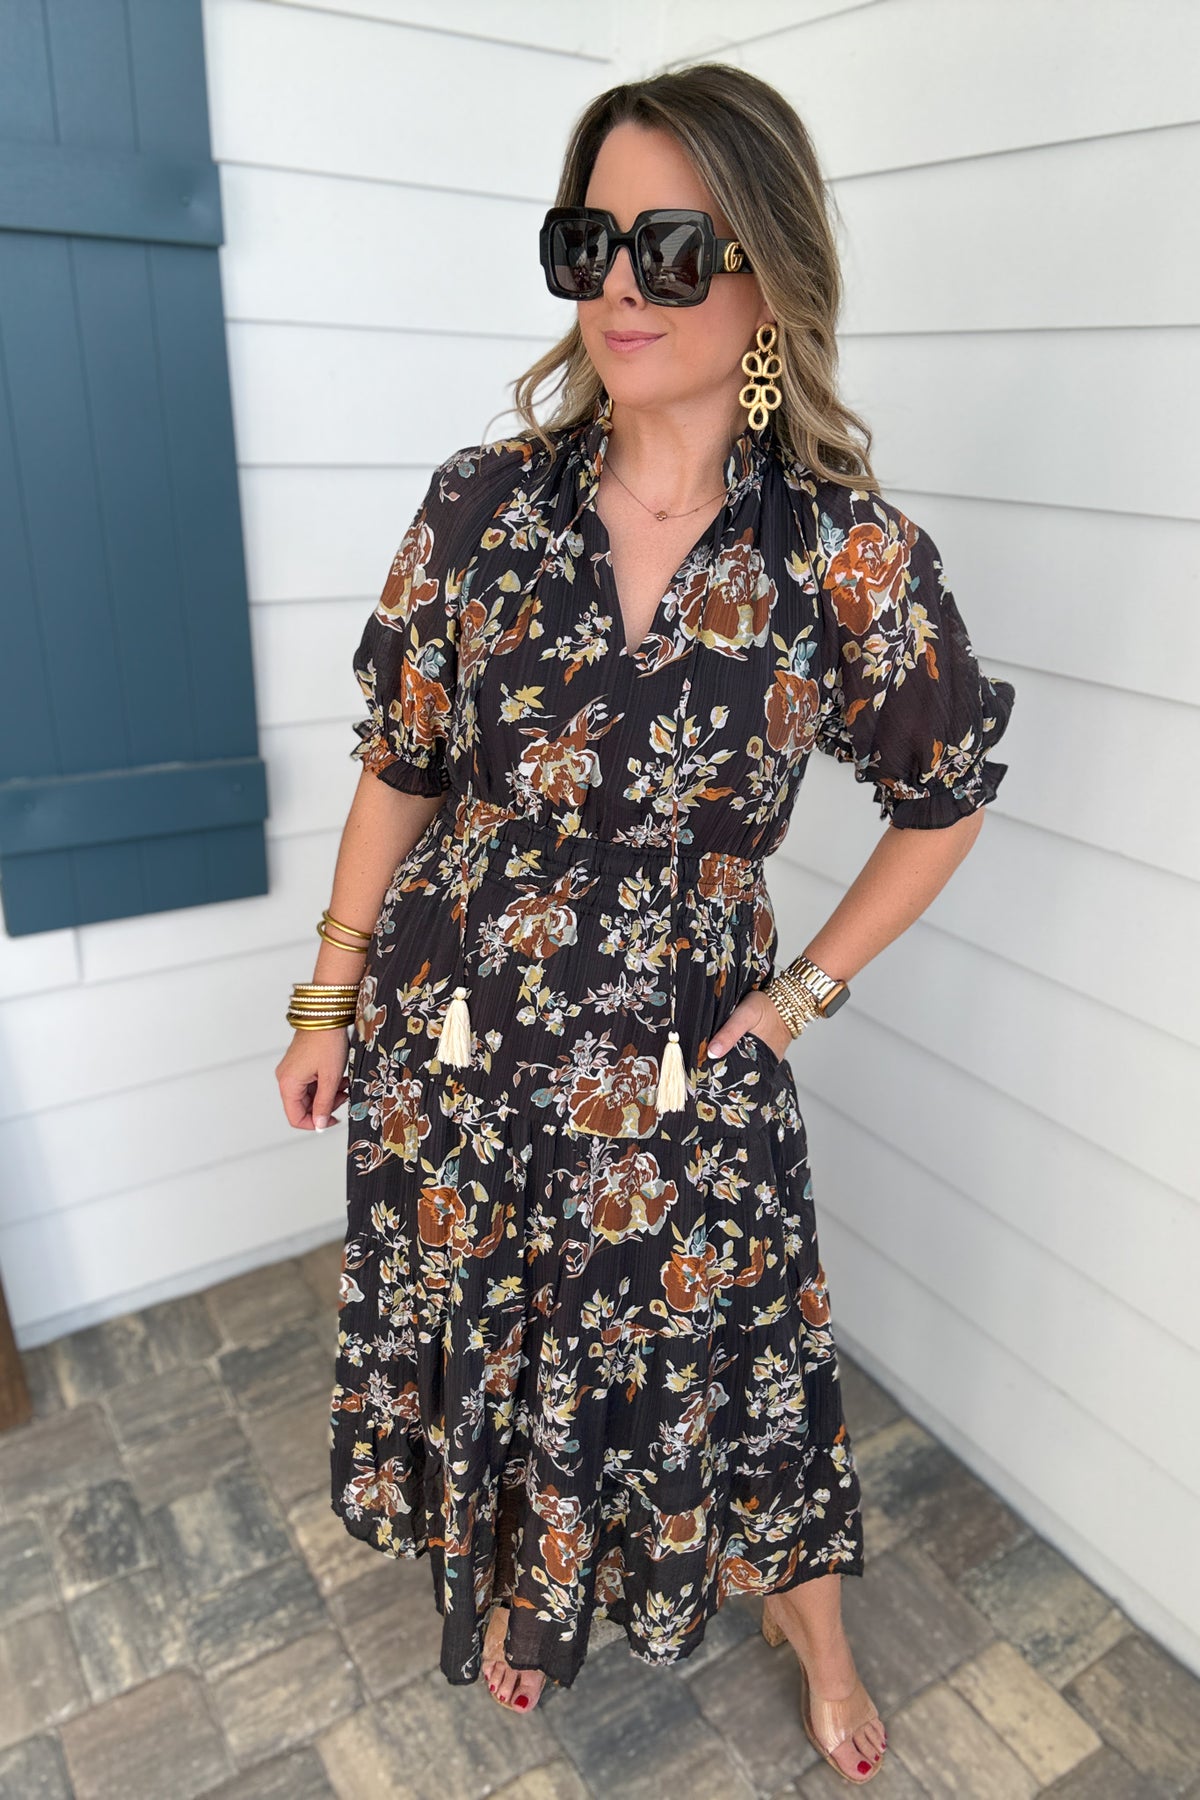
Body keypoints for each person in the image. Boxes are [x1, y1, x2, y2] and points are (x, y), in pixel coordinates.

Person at [275, 63, 1015, 1787]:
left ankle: (815, 1630)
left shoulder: (843, 555)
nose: (619, 283)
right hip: (459, 1040)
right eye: (586, 241)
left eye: (669, 246)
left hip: (681, 1064)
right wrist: (324, 999)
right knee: (500, 1329)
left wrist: (804, 995)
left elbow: (947, 792)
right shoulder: (483, 505)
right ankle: (530, 1599)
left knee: (737, 1354)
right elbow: (402, 762)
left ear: (766, 271)